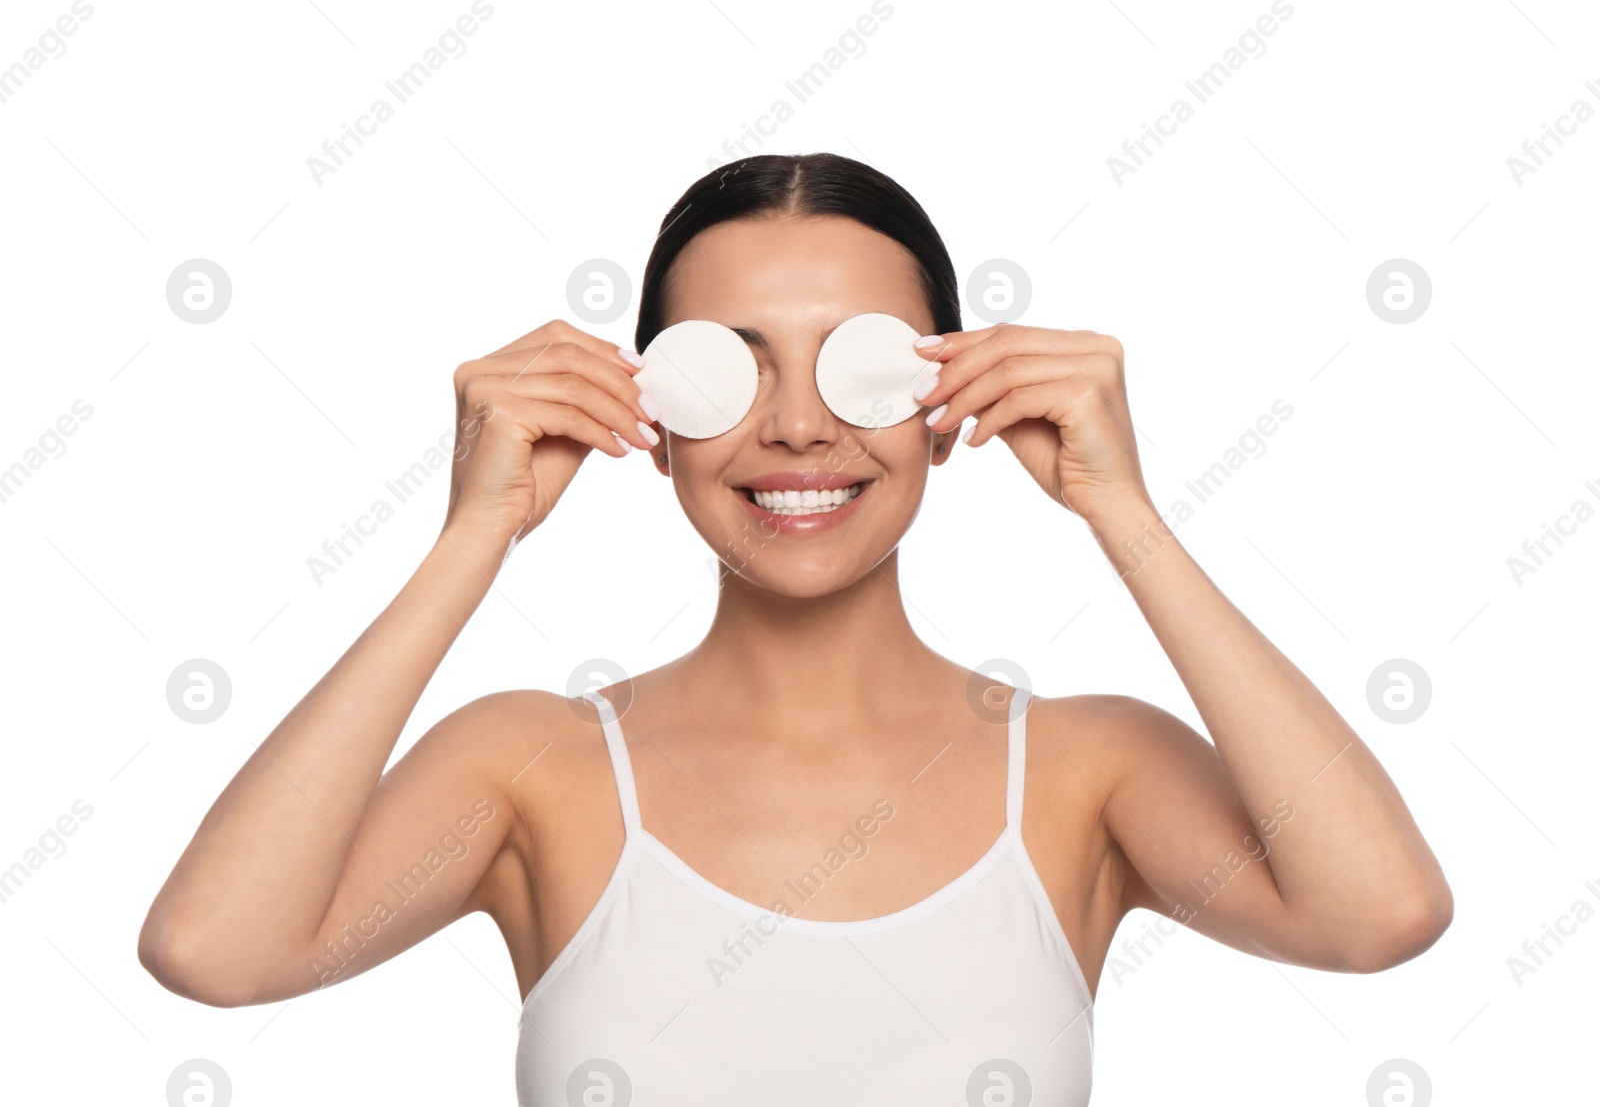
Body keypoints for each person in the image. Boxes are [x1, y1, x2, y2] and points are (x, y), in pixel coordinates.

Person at [138, 152, 1453, 1105]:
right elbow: (217, 949)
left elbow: (1380, 911)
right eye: (729, 364)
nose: (800, 426)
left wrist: (1123, 507)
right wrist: (471, 537)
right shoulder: (526, 767)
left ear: (946, 400)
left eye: (858, 363)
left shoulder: (1083, 771)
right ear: (646, 414)